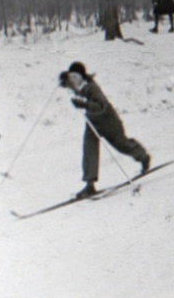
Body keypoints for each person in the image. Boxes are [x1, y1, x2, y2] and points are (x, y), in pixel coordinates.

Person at [59, 62, 151, 199]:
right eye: (71, 76)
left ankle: (143, 157)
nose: (73, 79)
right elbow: (67, 85)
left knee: (122, 145)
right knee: (89, 150)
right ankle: (89, 184)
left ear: (82, 76)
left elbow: (101, 106)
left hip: (108, 121)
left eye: (75, 76)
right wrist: (63, 80)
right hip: (92, 123)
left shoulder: (91, 87)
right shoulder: (76, 86)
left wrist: (84, 104)